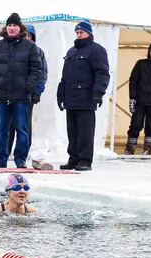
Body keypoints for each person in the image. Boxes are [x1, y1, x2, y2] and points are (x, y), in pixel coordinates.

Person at [0, 13, 42, 169]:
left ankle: (20, 159)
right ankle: (1, 158)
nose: (11, 28)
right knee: (2, 129)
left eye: (14, 25)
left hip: (21, 95)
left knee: (22, 129)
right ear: (6, 27)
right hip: (2, 94)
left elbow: (36, 69)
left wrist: (28, 87)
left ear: (20, 28)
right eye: (9, 25)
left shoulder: (30, 46)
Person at [57, 20, 110, 171]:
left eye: (81, 33)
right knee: (72, 133)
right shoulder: (71, 52)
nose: (79, 35)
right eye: (77, 33)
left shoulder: (97, 50)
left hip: (86, 98)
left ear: (89, 33)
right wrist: (60, 95)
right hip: (71, 99)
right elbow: (65, 76)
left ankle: (85, 161)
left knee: (85, 133)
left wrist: (98, 93)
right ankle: (73, 159)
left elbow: (102, 73)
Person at [7, 24, 51, 170]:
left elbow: (42, 73)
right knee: (8, 124)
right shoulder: (13, 49)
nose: (26, 38)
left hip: (28, 94)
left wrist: (38, 91)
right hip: (11, 93)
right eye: (24, 35)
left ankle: (22, 153)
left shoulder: (38, 51)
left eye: (29, 35)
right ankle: (6, 152)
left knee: (24, 124)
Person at [124, 40, 151, 156]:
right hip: (140, 101)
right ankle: (130, 148)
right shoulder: (140, 64)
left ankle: (147, 148)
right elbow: (133, 81)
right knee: (135, 124)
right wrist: (132, 98)